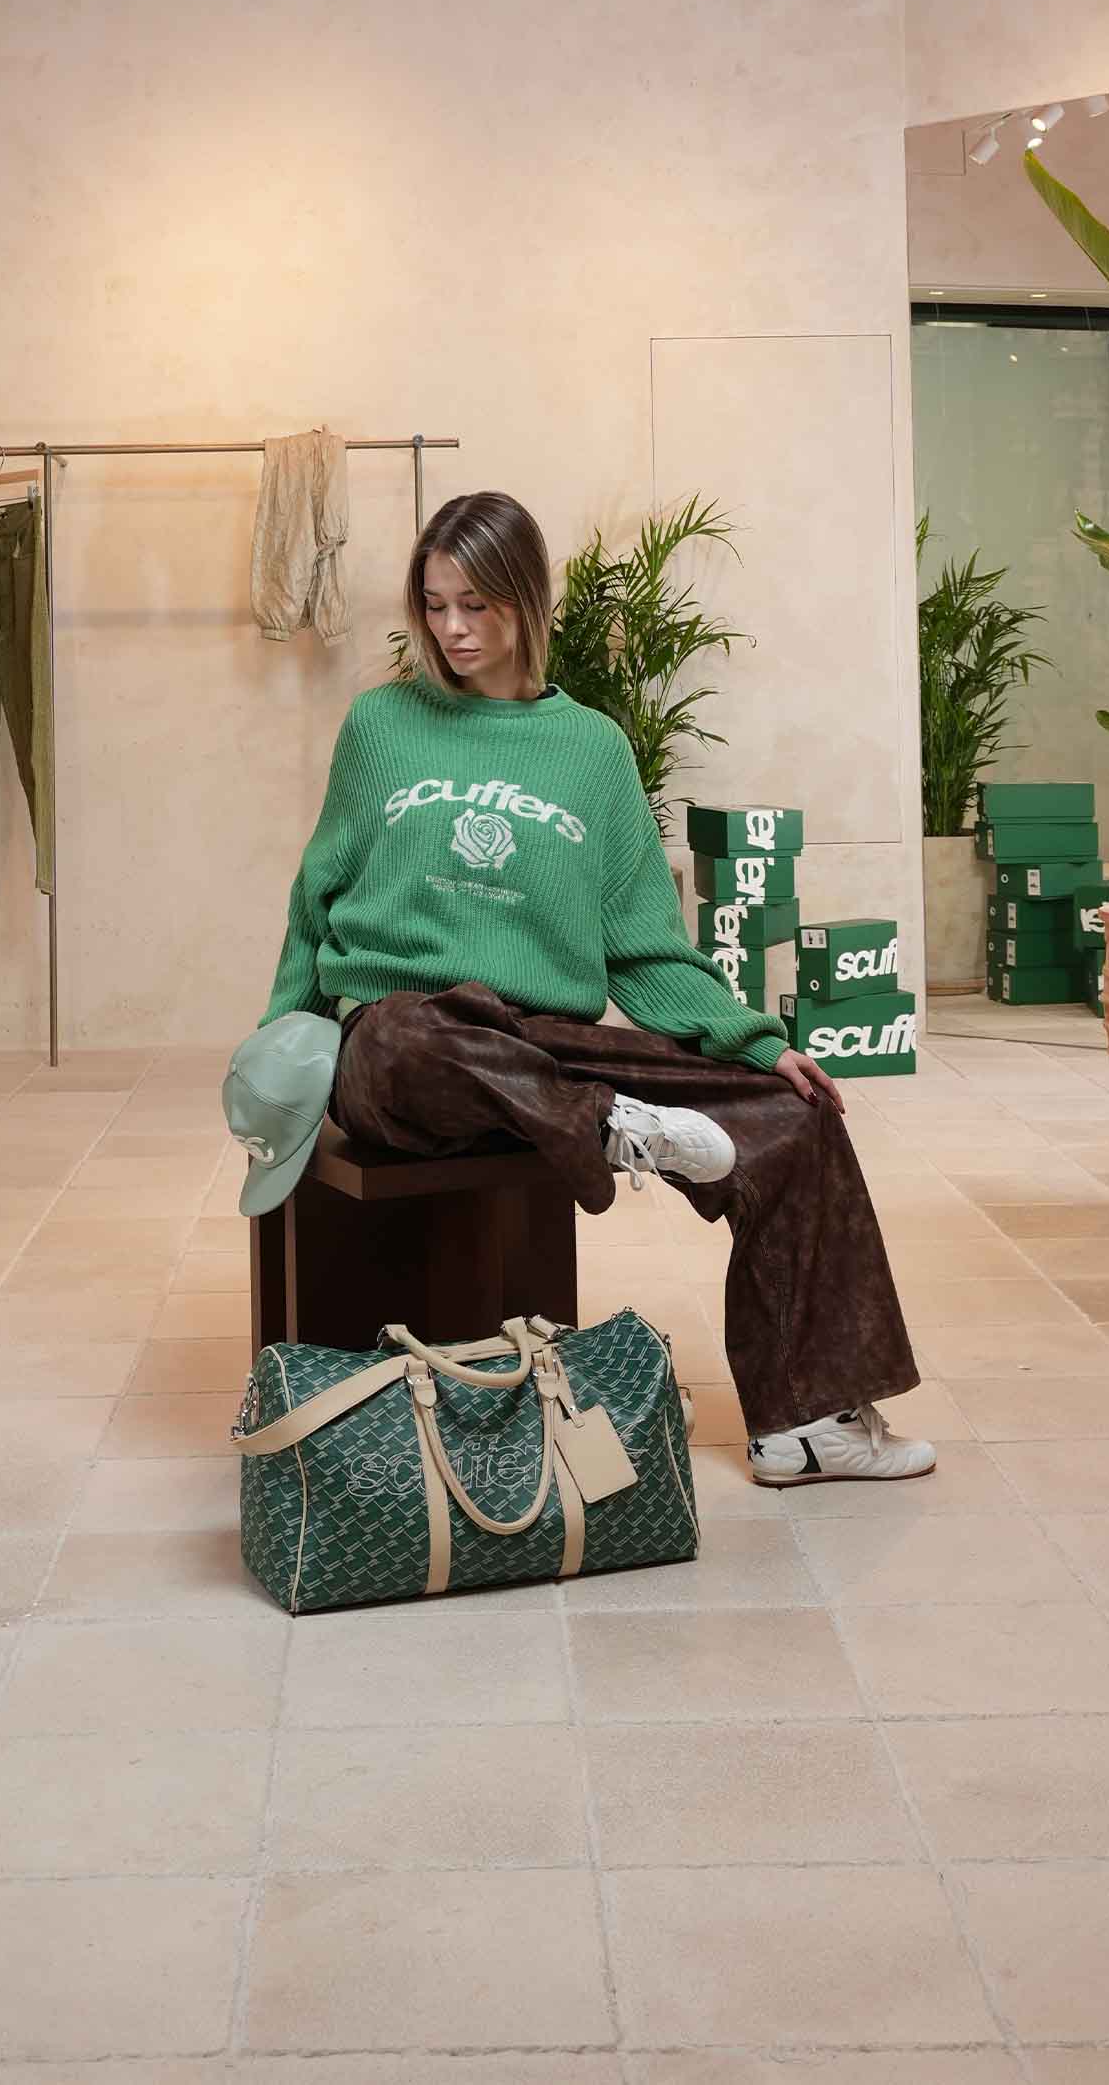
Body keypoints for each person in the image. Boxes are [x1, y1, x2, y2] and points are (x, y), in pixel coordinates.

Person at [259, 489, 933, 1488]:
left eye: (476, 604)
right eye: (435, 604)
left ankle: (809, 1422)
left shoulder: (593, 749)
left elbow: (643, 943)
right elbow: (315, 898)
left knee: (793, 1114)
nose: (452, 628)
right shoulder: (380, 725)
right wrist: (281, 1041)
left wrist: (756, 1042)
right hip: (407, 1041)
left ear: (527, 600)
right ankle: (611, 1123)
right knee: (405, 1038)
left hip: (541, 1044)